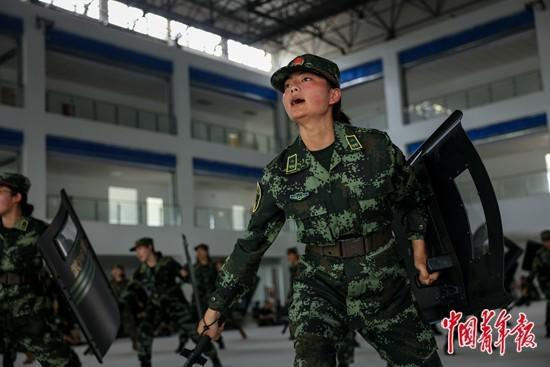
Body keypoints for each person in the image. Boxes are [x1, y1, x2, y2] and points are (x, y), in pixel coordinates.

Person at [197, 54, 442, 367]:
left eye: (305, 80)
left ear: (333, 95)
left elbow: (413, 199)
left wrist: (419, 252)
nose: (292, 89)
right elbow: (252, 244)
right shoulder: (279, 173)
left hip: (384, 282)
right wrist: (215, 309)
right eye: (287, 86)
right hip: (319, 285)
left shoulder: (375, 148)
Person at [0, 173, 81, 367]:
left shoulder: (38, 231)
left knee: (64, 364)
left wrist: (68, 320)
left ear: (17, 197)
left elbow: (67, 271)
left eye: (1, 191)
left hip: (30, 315)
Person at [129, 237, 221, 367]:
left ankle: (215, 359)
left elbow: (187, 278)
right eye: (136, 250)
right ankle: (145, 363)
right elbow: (130, 289)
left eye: (140, 249)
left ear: (150, 247)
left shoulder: (168, 262)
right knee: (144, 331)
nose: (138, 253)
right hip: (156, 306)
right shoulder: (140, 271)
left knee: (196, 334)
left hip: (176, 305)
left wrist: (189, 275)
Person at [532, 230, 550, 337]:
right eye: (545, 241)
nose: (547, 243)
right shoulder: (540, 254)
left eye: (548, 240)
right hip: (546, 282)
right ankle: (549, 326)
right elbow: (534, 269)